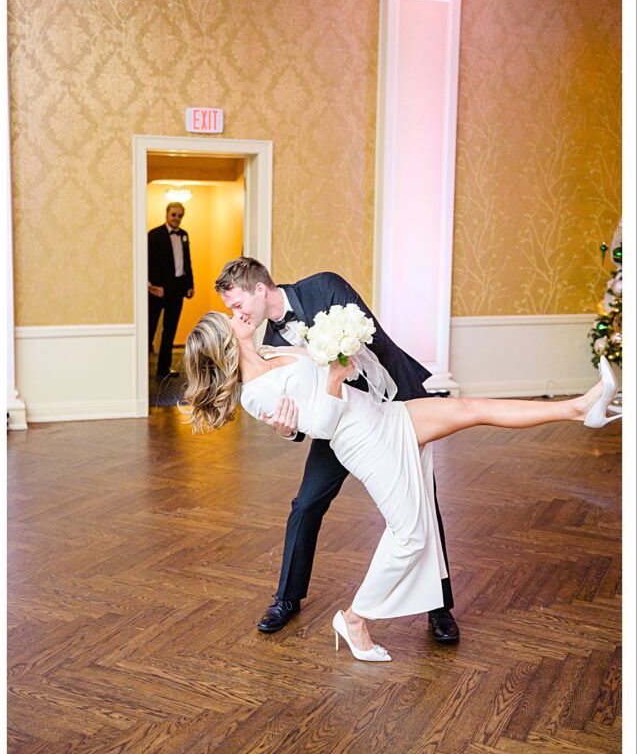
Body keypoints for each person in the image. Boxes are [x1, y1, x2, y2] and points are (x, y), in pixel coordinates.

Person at [182, 309, 619, 661]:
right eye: (229, 317)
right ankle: (354, 619)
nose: (236, 312)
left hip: (382, 415)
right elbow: (319, 426)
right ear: (225, 341)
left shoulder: (275, 348)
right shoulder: (255, 392)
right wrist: (334, 376)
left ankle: (580, 408)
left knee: (469, 408)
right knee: (410, 535)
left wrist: (340, 352)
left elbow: (321, 385)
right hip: (365, 442)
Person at [215, 259, 460, 644]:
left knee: (423, 499)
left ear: (260, 290)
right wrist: (284, 430)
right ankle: (287, 598)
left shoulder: (324, 287)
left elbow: (375, 343)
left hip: (393, 404)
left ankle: (439, 606)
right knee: (306, 503)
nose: (237, 314)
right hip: (339, 426)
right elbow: (298, 417)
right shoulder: (270, 346)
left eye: (237, 304)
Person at [148, 203, 195, 380]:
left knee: (170, 329)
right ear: (167, 214)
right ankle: (141, 370)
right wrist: (151, 285)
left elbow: (187, 262)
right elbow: (147, 262)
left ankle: (163, 368)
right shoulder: (154, 234)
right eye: (174, 215)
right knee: (150, 328)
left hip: (177, 289)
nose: (176, 218)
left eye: (180, 216)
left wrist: (190, 285)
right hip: (157, 289)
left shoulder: (183, 235)